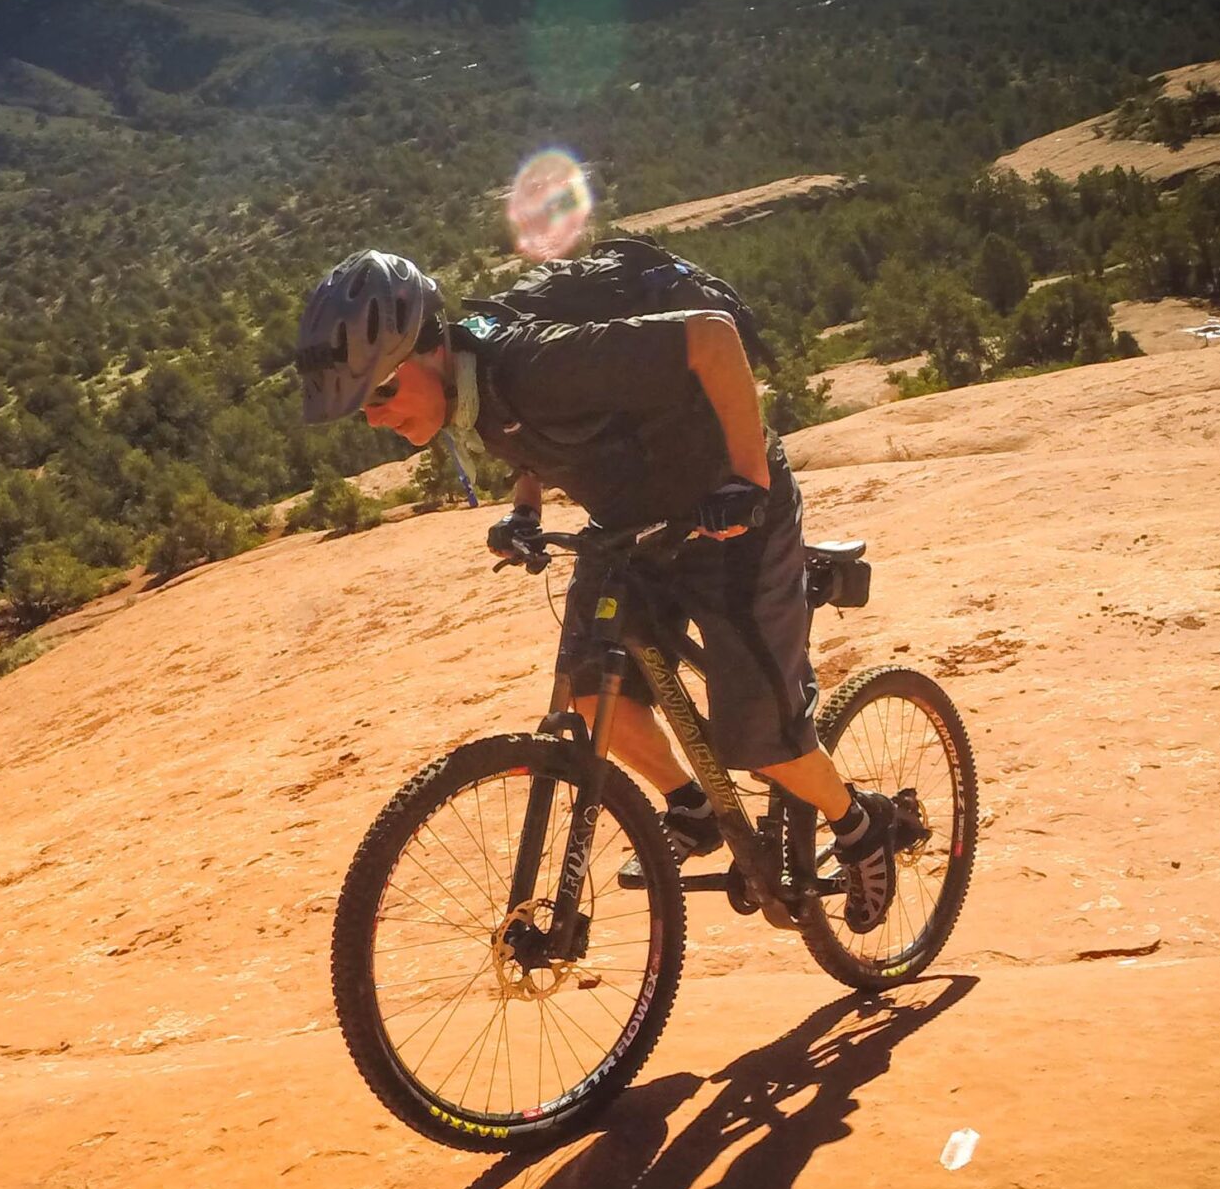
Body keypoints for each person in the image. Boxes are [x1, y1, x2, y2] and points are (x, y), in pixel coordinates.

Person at [295, 249, 901, 933]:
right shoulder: (472, 387)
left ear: (428, 351)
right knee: (590, 685)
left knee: (761, 737)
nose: (374, 419)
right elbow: (533, 437)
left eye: (378, 393)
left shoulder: (541, 364)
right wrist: (526, 510)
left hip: (726, 511)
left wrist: (749, 483)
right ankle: (691, 806)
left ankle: (860, 824)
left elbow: (712, 338)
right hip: (631, 524)